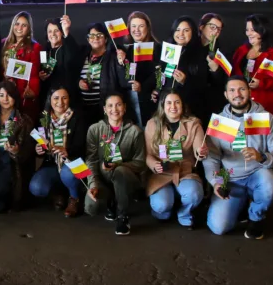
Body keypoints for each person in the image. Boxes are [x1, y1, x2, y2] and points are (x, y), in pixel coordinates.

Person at [203, 77, 273, 238]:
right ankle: (241, 203)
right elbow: (211, 157)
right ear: (226, 95)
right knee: (218, 227)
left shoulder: (266, 118)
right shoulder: (219, 121)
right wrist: (216, 181)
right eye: (232, 90)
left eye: (242, 89)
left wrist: (262, 157)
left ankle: (256, 216)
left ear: (250, 92)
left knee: (269, 183)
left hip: (257, 173)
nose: (237, 94)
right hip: (231, 177)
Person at [85, 93, 146, 235]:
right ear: (104, 109)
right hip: (104, 179)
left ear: (124, 108)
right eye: (110, 106)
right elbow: (91, 160)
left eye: (118, 104)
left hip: (127, 179)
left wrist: (119, 165)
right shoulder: (94, 130)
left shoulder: (135, 132)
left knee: (120, 172)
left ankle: (123, 216)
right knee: (91, 207)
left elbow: (140, 162)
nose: (115, 109)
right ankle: (111, 201)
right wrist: (93, 184)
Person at [144, 91, 205, 229]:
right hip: (162, 173)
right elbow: (148, 154)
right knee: (161, 206)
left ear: (182, 105)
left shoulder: (193, 124)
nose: (173, 106)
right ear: (163, 106)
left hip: (184, 171)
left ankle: (184, 213)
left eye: (177, 102)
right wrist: (154, 165)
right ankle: (165, 209)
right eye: (169, 103)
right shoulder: (152, 124)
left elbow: (199, 147)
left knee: (194, 195)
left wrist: (201, 152)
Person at [28, 87, 89, 218]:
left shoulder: (77, 116)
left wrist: (67, 150)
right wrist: (38, 149)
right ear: (50, 100)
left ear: (69, 99)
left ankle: (74, 198)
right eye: (56, 98)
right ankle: (58, 194)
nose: (60, 102)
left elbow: (83, 145)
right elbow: (39, 144)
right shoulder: (43, 118)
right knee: (36, 187)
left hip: (73, 162)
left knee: (68, 174)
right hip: (52, 163)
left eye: (64, 98)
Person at [0, 80, 33, 214]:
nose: (5, 99)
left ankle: (10, 197)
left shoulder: (24, 120)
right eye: (1, 95)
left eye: (8, 95)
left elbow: (28, 152)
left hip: (11, 165)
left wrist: (16, 152)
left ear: (15, 97)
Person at [230, 14, 273, 126]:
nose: (249, 33)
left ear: (263, 30)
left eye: (253, 30)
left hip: (267, 104)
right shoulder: (241, 50)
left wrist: (261, 84)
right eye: (247, 30)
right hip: (242, 103)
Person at [153, 16, 210, 126]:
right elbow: (161, 75)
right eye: (178, 30)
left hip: (188, 107)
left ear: (193, 32)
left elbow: (203, 86)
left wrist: (185, 81)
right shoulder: (166, 50)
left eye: (186, 30)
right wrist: (157, 90)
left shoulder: (200, 54)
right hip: (167, 106)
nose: (181, 34)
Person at [113, 11, 160, 126]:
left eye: (141, 26)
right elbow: (123, 79)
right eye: (133, 26)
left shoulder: (158, 48)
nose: (137, 30)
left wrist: (143, 87)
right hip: (131, 103)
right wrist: (121, 63)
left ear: (147, 28)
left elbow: (160, 73)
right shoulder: (125, 50)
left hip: (152, 101)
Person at [0, 11, 42, 119]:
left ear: (29, 28)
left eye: (24, 25)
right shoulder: (4, 44)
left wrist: (32, 91)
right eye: (17, 24)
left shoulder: (35, 47)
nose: (19, 27)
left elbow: (34, 72)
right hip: (6, 95)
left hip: (23, 95)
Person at [78, 22, 116, 125]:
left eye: (99, 35)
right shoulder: (82, 54)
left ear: (106, 39)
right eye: (92, 36)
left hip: (103, 109)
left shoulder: (112, 56)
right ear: (88, 39)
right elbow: (74, 74)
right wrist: (79, 82)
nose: (95, 38)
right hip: (83, 109)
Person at [200, 13, 228, 116]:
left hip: (213, 103)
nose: (215, 31)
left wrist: (215, 70)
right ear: (202, 27)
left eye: (219, 29)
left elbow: (225, 81)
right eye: (212, 27)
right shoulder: (191, 46)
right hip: (192, 99)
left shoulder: (223, 51)